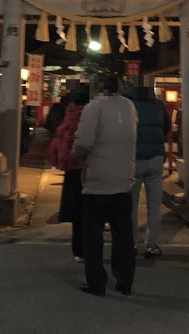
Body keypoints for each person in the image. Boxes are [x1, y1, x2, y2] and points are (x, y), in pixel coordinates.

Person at [72, 74, 138, 296]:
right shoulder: (129, 106)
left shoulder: (94, 107)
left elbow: (83, 142)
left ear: (97, 88)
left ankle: (96, 282)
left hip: (98, 180)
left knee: (93, 235)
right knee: (123, 235)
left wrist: (74, 152)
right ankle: (125, 280)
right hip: (124, 179)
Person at [123, 77, 171, 259]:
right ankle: (151, 245)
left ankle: (132, 243)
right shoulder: (158, 105)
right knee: (154, 204)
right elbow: (166, 127)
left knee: (131, 204)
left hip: (133, 158)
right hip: (155, 158)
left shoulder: (127, 104)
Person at [46, 84, 90, 263]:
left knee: (77, 214)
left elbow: (56, 148)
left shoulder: (69, 119)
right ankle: (92, 247)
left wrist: (62, 163)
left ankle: (78, 250)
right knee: (92, 211)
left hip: (73, 170)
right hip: (93, 169)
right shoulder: (94, 116)